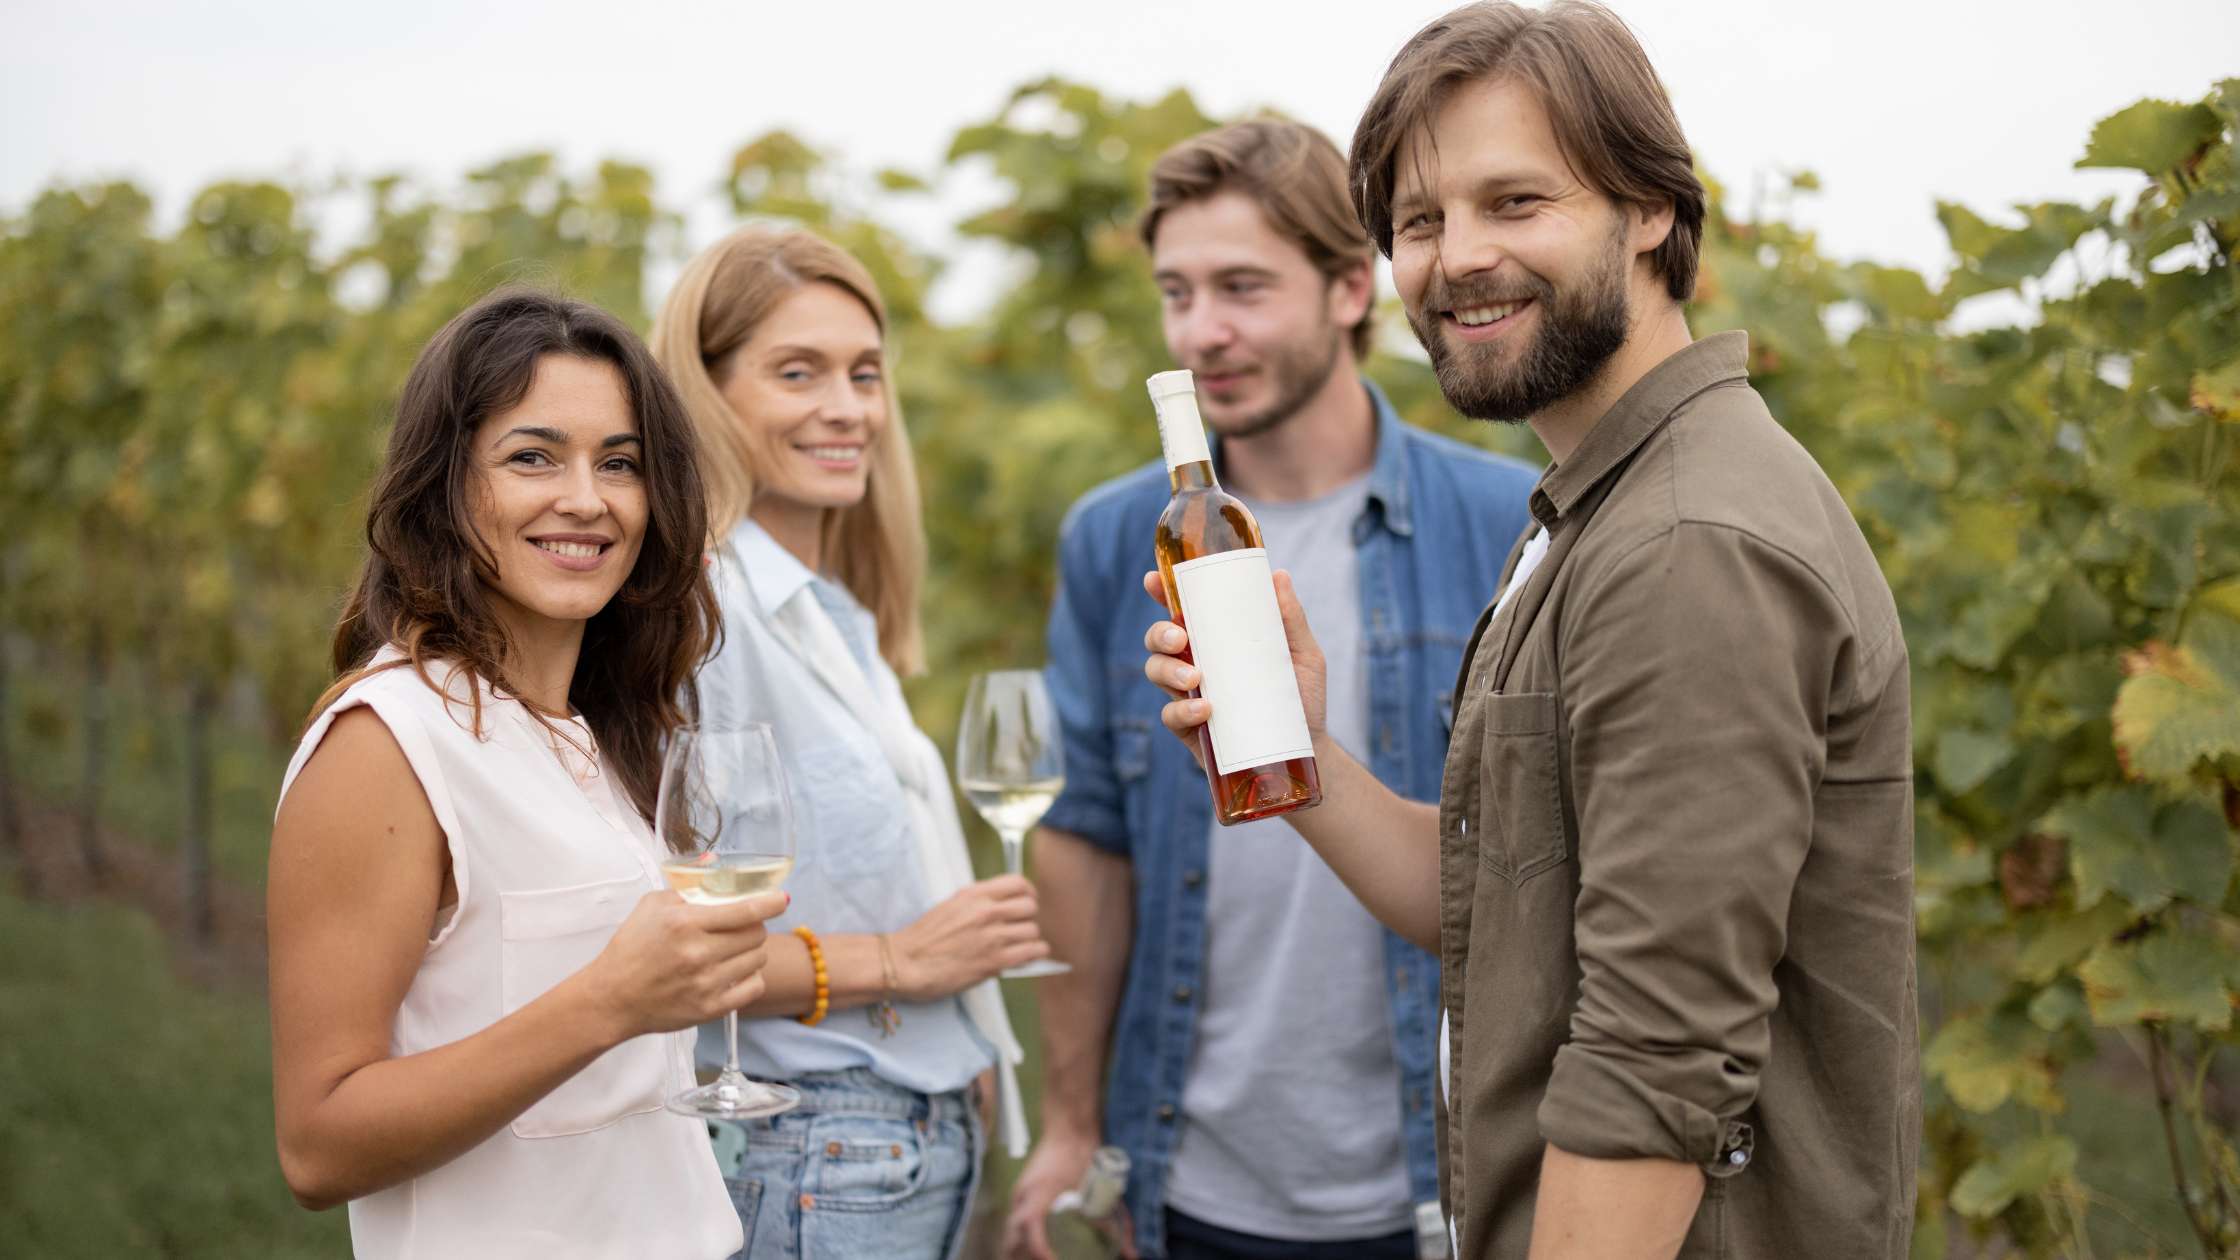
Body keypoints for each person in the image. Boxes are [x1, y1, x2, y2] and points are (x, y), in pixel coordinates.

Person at [1145, 6, 1919, 1258]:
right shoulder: (1594, 506)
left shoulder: (1683, 546)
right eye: (1418, 221)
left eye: (1515, 202)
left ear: (1651, 206)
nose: (1456, 258)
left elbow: (1651, 1070)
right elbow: (1499, 904)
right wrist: (1299, 755)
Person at [1007, 120, 1538, 1260]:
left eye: (1242, 287)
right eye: (1177, 292)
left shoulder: (1503, 523)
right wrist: (1068, 1124)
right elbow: (1086, 840)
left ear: (1351, 286)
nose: (1204, 332)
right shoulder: (1115, 542)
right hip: (1188, 1187)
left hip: (1436, 1184)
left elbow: (1542, 869)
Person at [268, 288, 782, 1259]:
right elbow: (317, 1145)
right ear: (446, 487)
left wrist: (881, 964)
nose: (586, 498)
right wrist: (606, 1002)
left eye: (618, 464)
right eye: (531, 456)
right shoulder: (387, 743)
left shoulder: (593, 731)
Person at [651, 225, 1051, 1260]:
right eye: (798, 372)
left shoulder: (834, 617)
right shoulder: (702, 617)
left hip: (896, 1145)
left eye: (864, 373)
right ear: (706, 394)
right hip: (814, 1149)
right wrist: (901, 962)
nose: (846, 407)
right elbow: (661, 943)